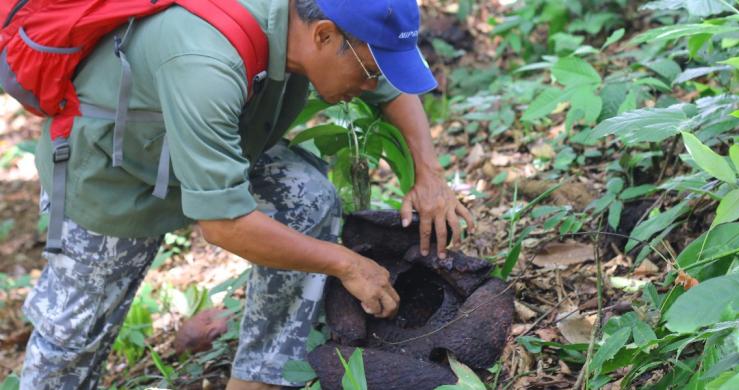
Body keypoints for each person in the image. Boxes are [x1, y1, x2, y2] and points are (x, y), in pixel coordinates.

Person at [20, 0, 474, 389]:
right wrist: (347, 263)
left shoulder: (318, 29)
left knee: (305, 197)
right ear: (322, 35)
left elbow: (391, 85)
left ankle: (260, 378)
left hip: (221, 149)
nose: (372, 86)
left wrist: (429, 174)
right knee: (72, 343)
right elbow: (223, 224)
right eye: (370, 72)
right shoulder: (207, 62)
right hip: (116, 175)